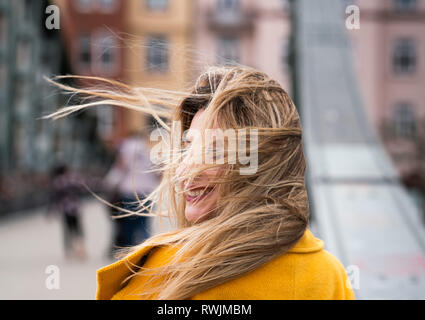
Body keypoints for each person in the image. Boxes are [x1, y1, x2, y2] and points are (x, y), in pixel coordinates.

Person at [49, 66, 355, 300]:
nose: (184, 170)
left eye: (214, 150)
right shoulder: (329, 276)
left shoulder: (162, 276)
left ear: (261, 163)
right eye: (187, 148)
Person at [104, 129, 159, 257]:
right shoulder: (149, 149)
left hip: (129, 191)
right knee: (144, 227)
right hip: (147, 193)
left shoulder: (126, 146)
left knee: (128, 228)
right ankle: (147, 256)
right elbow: (158, 173)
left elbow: (120, 168)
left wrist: (110, 184)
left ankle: (128, 258)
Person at [48, 164, 86, 260]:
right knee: (77, 228)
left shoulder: (57, 182)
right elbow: (82, 189)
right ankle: (80, 247)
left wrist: (51, 211)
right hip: (76, 207)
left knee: (68, 230)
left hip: (65, 208)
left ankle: (69, 251)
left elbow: (54, 197)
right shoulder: (74, 179)